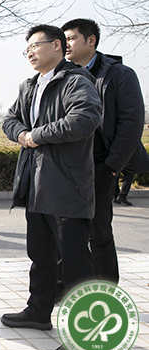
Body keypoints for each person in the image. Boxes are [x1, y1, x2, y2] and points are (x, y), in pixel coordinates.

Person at [0, 24, 102, 350]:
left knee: (75, 266)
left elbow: (85, 119)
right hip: (36, 185)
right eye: (26, 49)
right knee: (40, 255)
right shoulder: (29, 85)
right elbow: (10, 120)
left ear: (57, 45)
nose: (30, 52)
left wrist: (37, 135)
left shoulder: (76, 81)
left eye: (35, 45)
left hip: (68, 187)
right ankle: (38, 311)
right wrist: (22, 134)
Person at [62, 18, 149, 283]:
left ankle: (106, 290)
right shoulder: (62, 75)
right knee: (64, 230)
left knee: (98, 231)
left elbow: (131, 123)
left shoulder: (119, 74)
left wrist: (111, 166)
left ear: (91, 40)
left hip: (101, 164)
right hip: (67, 165)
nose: (65, 44)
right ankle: (64, 286)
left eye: (71, 38)